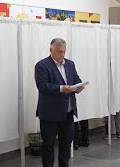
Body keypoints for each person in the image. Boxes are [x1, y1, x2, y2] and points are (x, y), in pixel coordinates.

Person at [35, 38, 84, 167]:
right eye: (59, 52)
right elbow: (42, 86)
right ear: (51, 50)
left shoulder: (70, 64)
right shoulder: (42, 65)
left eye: (63, 52)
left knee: (66, 145)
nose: (62, 55)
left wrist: (78, 87)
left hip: (67, 113)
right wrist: (62, 88)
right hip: (50, 114)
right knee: (48, 146)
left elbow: (76, 79)